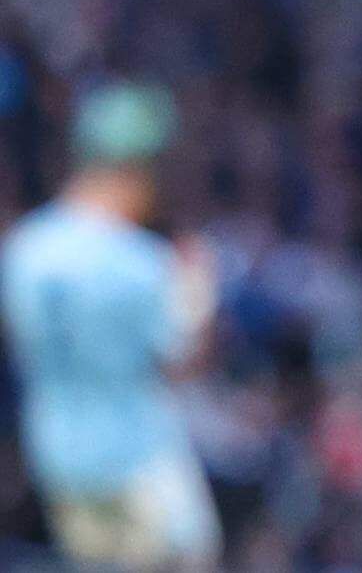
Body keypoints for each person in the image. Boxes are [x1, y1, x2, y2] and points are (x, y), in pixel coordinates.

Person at [1, 83, 220, 571]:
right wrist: (198, 290)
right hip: (137, 457)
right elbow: (185, 364)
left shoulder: (23, 250)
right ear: (133, 169)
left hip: (57, 453)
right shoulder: (142, 263)